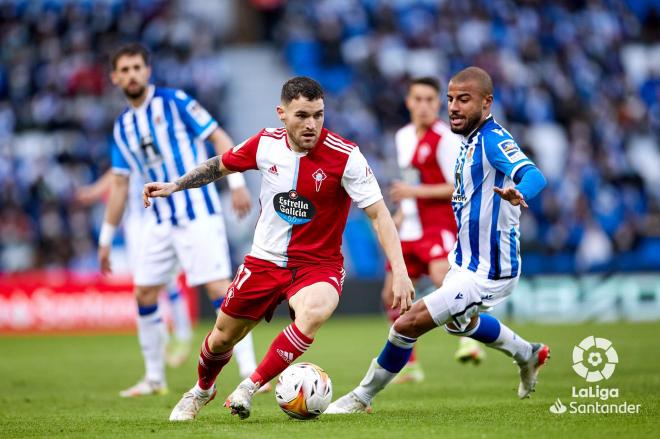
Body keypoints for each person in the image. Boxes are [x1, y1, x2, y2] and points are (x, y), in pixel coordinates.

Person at [142, 76, 415, 421]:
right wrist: (176, 185)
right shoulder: (265, 144)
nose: (312, 124)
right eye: (302, 115)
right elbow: (220, 165)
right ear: (282, 113)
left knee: (315, 310)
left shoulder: (346, 157)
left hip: (319, 264)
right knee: (221, 340)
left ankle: (249, 386)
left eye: (318, 115)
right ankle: (202, 390)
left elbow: (380, 216)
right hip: (265, 260)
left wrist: (401, 271)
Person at [326, 66, 550, 414]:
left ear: (487, 103)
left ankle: (360, 397)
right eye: (451, 99)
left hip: (491, 270)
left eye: (464, 99)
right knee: (464, 324)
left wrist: (518, 192)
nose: (454, 107)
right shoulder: (466, 141)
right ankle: (529, 354)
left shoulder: (492, 139)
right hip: (463, 262)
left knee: (407, 322)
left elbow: (534, 175)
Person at [100, 43, 264, 397]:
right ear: (115, 78)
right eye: (124, 70)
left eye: (136, 68)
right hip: (157, 220)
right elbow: (118, 183)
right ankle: (155, 377)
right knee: (144, 292)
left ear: (148, 71)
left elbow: (218, 136)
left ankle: (250, 369)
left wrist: (235, 182)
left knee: (219, 289)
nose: (131, 75)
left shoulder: (174, 102)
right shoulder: (122, 126)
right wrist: (105, 238)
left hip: (198, 212)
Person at [385, 77, 485, 383]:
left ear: (437, 104)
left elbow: (457, 186)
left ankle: (469, 339)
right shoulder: (402, 136)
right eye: (419, 99)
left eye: (431, 99)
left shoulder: (446, 138)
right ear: (409, 102)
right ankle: (411, 366)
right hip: (410, 227)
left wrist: (412, 194)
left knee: (445, 280)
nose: (425, 105)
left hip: (437, 224)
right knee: (392, 293)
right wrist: (402, 212)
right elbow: (410, 179)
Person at [77, 170, 193, 368]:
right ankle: (164, 342)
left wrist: (94, 191)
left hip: (158, 219)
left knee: (166, 281)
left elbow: (118, 174)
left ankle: (183, 335)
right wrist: (95, 191)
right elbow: (118, 172)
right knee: (146, 285)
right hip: (136, 225)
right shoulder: (126, 146)